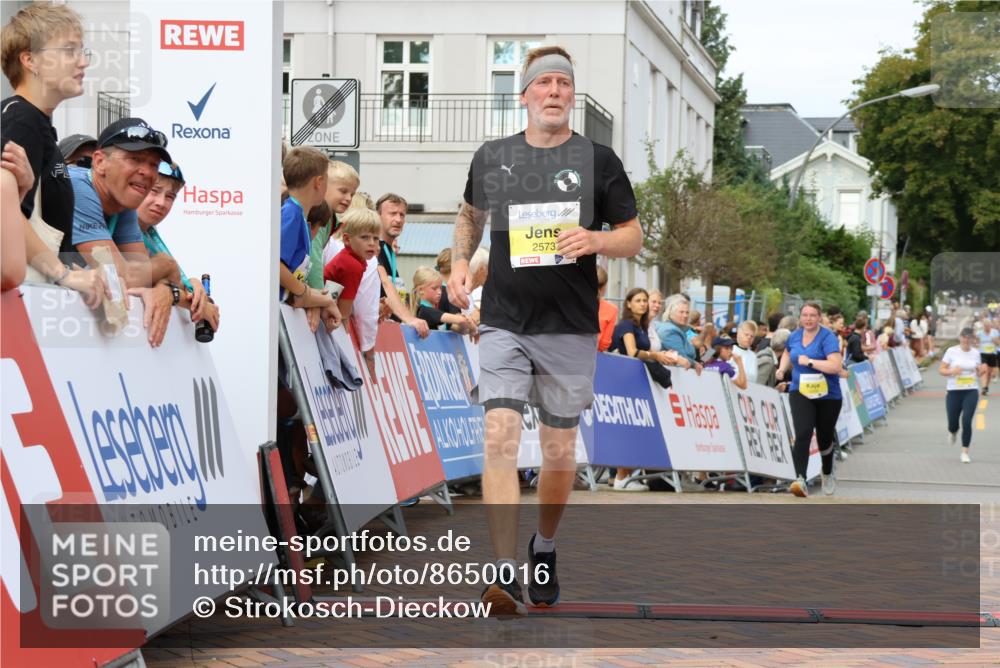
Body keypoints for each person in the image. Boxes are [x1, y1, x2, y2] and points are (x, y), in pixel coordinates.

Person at [446, 45, 642, 615]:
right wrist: (461, 261)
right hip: (505, 320)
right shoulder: (494, 156)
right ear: (524, 94)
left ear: (571, 96)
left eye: (563, 84)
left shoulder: (598, 160)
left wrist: (598, 240)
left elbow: (632, 234)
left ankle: (544, 547)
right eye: (544, 83)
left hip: (569, 326)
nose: (554, 92)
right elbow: (469, 215)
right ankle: (504, 570)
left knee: (559, 454)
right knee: (500, 438)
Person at [1, 3, 105, 304]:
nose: (83, 62)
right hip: (22, 307)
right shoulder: (22, 120)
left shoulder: (35, 123)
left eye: (83, 51)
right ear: (30, 60)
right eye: (69, 50)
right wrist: (65, 274)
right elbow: (5, 217)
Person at [70, 118, 180, 346]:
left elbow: (141, 277)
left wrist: (164, 289)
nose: (147, 172)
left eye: (153, 164)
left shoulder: (124, 202)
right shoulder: (78, 186)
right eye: (136, 159)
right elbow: (119, 275)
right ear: (99, 162)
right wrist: (167, 265)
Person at [136, 160, 220, 333]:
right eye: (154, 191)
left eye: (170, 197)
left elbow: (167, 282)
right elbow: (130, 284)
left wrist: (192, 285)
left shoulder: (150, 233)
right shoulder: (121, 228)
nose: (161, 202)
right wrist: (184, 299)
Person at [609, 288, 680, 491]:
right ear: (629, 303)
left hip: (638, 381)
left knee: (638, 432)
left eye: (645, 300)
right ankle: (621, 477)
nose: (642, 304)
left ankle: (628, 476)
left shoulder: (642, 327)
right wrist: (656, 356)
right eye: (638, 300)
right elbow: (632, 352)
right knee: (629, 431)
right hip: (625, 382)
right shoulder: (625, 326)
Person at [776, 302, 843, 498]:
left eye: (812, 315)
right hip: (801, 391)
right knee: (803, 432)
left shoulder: (827, 337)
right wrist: (782, 368)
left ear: (819, 317)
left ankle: (828, 472)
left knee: (824, 437)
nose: (808, 319)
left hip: (827, 394)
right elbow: (788, 353)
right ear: (800, 317)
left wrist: (811, 362)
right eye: (805, 315)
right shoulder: (795, 336)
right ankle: (800, 479)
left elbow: (836, 366)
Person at [279, 146, 341, 331]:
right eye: (328, 181)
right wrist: (302, 291)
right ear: (319, 182)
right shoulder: (291, 213)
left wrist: (322, 300)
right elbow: (274, 264)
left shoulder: (299, 215)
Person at [374, 192, 430, 337]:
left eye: (402, 215)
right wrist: (410, 319)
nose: (398, 219)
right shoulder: (374, 249)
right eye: (392, 214)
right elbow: (387, 285)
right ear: (378, 216)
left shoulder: (389, 252)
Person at [323, 200, 382, 325]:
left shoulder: (353, 258)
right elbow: (344, 312)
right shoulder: (352, 265)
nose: (372, 243)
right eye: (364, 237)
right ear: (346, 239)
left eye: (376, 238)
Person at [940, 327, 988, 463]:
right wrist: (952, 371)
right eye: (964, 337)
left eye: (969, 337)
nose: (966, 340)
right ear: (960, 337)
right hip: (954, 391)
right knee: (953, 422)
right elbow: (941, 370)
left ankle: (965, 452)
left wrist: (982, 372)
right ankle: (952, 431)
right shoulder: (951, 351)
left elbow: (978, 373)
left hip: (970, 391)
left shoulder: (975, 353)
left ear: (972, 339)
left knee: (967, 421)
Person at [411, 267, 475, 333]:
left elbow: (456, 326)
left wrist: (466, 328)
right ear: (421, 290)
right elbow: (458, 319)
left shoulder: (435, 311)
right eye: (434, 288)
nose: (439, 292)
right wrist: (467, 320)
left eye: (440, 288)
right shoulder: (424, 311)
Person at [656, 293, 701, 371]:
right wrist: (695, 364)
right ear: (671, 313)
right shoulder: (670, 331)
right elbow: (681, 357)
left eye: (687, 312)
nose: (685, 315)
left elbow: (697, 344)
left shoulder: (686, 328)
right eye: (681, 312)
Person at [596, 266, 617, 353]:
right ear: (604, 286)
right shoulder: (611, 309)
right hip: (594, 357)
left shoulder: (569, 303)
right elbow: (604, 345)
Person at [978, 317, 999, 396]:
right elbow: (976, 341)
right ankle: (983, 387)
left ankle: (986, 387)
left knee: (989, 372)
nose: (987, 328)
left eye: (988, 326)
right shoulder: (980, 333)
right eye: (986, 326)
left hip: (992, 353)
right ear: (983, 326)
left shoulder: (995, 332)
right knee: (984, 369)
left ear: (990, 326)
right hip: (983, 353)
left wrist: (995, 341)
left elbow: (998, 343)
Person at [647, 289, 664, 353]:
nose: (657, 305)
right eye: (654, 302)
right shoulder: (638, 324)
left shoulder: (653, 325)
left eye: (659, 303)